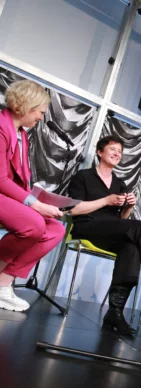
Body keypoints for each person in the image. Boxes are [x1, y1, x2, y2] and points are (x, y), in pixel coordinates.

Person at [67, 135, 141, 336]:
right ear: (100, 152)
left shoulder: (120, 183)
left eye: (120, 151)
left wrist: (128, 207)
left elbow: (120, 220)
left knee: (131, 249)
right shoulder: (83, 176)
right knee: (138, 227)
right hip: (87, 226)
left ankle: (115, 312)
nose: (117, 154)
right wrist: (105, 200)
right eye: (113, 149)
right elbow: (74, 210)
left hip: (108, 230)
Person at [0, 80, 65, 312]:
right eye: (40, 112)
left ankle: (3, 284)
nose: (40, 117)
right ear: (26, 105)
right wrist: (34, 205)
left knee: (56, 229)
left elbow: (19, 179)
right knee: (33, 223)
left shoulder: (22, 135)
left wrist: (41, 200)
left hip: (7, 196)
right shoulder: (0, 126)